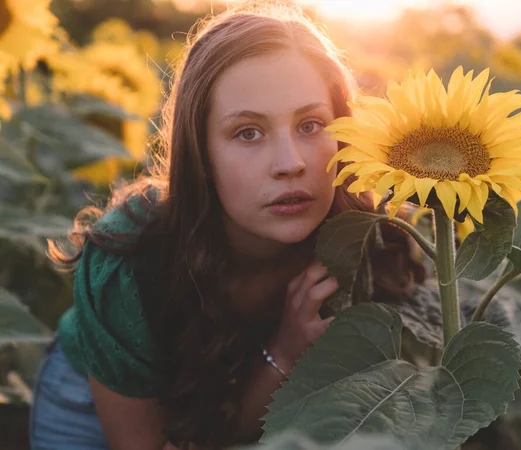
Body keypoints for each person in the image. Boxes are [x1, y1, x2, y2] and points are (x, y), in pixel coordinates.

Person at [29, 3, 425, 449]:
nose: (290, 163)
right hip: (97, 403)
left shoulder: (364, 236)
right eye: (248, 133)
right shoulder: (128, 262)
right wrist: (286, 352)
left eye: (311, 124)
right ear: (200, 151)